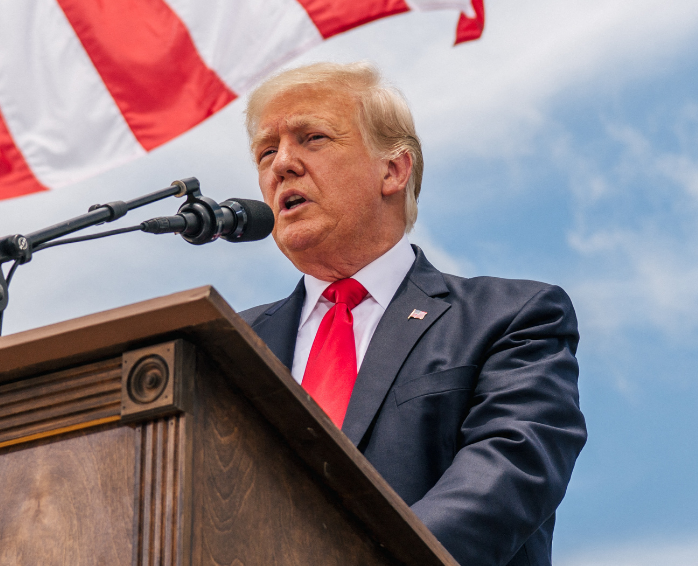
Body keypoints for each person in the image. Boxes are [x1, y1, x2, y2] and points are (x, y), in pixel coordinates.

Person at [238, 61, 585, 566]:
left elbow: (509, 471)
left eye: (312, 138)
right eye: (267, 151)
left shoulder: (511, 318)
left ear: (393, 170)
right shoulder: (234, 343)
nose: (282, 164)